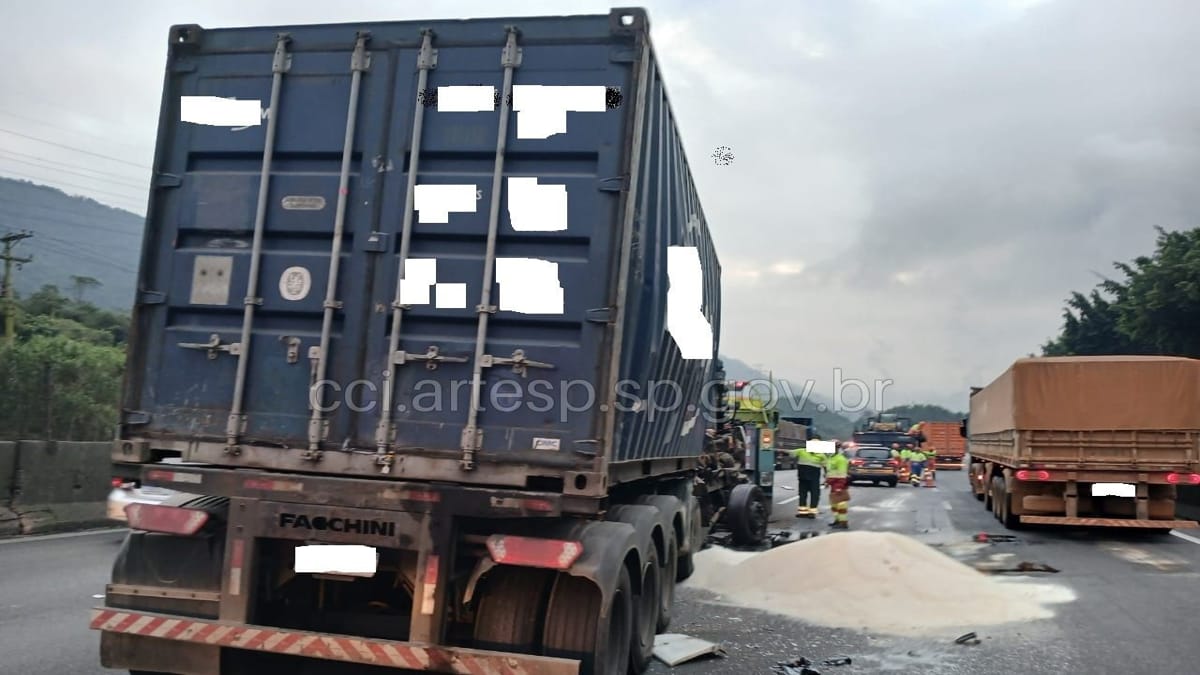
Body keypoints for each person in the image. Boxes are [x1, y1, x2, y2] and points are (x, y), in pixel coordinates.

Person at [793, 444, 825, 518]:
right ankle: (803, 513)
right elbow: (789, 452)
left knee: (813, 495)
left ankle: (811, 513)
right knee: (803, 495)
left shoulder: (821, 455)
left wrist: (827, 476)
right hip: (804, 479)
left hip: (811, 480)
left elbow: (825, 466)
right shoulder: (801, 451)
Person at [824, 446, 851, 529]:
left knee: (841, 505)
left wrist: (839, 487)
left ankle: (843, 522)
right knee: (834, 505)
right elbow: (831, 472)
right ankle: (837, 520)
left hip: (839, 485)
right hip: (834, 484)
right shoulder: (831, 458)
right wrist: (827, 482)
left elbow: (842, 475)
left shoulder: (840, 459)